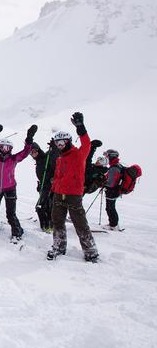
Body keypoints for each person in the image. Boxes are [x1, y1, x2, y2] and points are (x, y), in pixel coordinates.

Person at [47, 112, 99, 262]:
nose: (60, 145)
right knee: (57, 222)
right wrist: (54, 187)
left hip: (73, 196)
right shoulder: (60, 158)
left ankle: (90, 251)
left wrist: (80, 127)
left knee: (80, 224)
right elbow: (58, 176)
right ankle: (58, 246)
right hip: (58, 195)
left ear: (69, 141)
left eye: (62, 142)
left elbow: (86, 144)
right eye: (58, 144)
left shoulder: (78, 154)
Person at [0, 124, 37, 240]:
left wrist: (29, 138)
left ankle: (17, 232)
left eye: (7, 148)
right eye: (2, 147)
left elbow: (25, 152)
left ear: (11, 149)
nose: (5, 150)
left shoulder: (13, 159)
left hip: (10, 189)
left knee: (10, 214)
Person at [29, 142, 58, 232]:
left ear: (38, 149)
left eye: (34, 151)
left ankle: (47, 226)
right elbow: (42, 176)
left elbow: (54, 158)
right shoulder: (39, 160)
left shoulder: (46, 157)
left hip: (51, 186)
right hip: (44, 186)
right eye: (30, 153)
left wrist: (54, 148)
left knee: (41, 207)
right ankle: (49, 226)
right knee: (46, 207)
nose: (32, 154)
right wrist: (40, 185)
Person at [103, 149, 122, 230]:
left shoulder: (114, 168)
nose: (106, 157)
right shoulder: (117, 166)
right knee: (111, 207)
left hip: (112, 191)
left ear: (111, 156)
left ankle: (113, 225)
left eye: (107, 156)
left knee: (110, 208)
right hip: (115, 190)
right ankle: (113, 224)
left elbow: (110, 183)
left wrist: (103, 184)